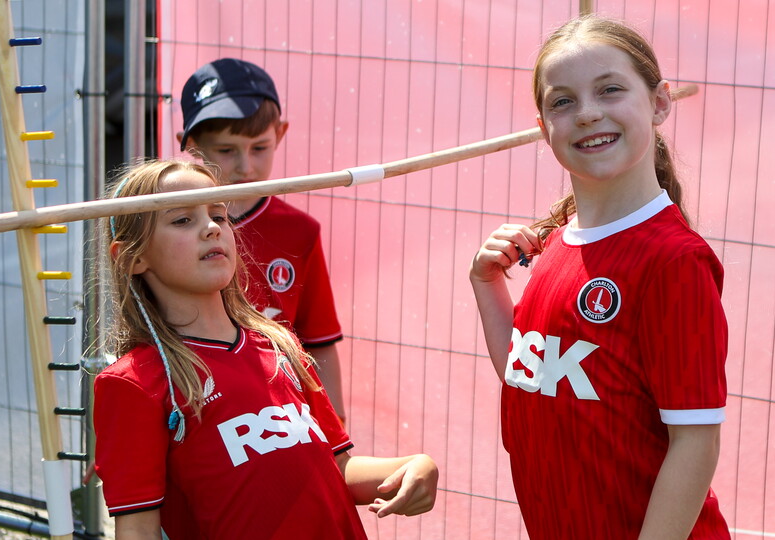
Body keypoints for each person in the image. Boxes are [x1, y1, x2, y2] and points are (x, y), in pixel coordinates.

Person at [469, 16, 729, 540]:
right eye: (562, 102)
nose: (587, 114)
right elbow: (532, 379)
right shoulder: (558, 244)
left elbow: (695, 442)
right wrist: (486, 286)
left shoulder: (673, 260)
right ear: (544, 128)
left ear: (658, 103)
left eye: (609, 90)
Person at [93, 159, 438, 539]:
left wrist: (413, 467)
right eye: (182, 220)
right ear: (132, 257)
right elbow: (137, 529)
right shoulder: (133, 383)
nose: (211, 228)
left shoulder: (279, 346)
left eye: (218, 215)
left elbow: (338, 469)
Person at [175, 57, 348, 423]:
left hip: (279, 417)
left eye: (259, 148)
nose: (246, 167)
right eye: (226, 149)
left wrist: (337, 430)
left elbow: (319, 342)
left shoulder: (299, 232)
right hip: (192, 409)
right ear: (189, 145)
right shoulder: (163, 227)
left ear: (280, 135)